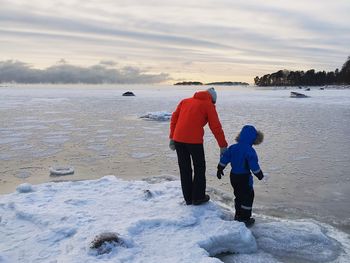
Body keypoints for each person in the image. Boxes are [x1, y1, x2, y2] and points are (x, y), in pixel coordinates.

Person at [169, 88, 228, 205]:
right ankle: (198, 197)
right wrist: (223, 145)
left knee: (184, 169)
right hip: (194, 141)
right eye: (214, 102)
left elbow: (174, 119)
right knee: (199, 167)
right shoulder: (208, 105)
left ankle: (188, 198)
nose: (214, 104)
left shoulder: (185, 101)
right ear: (212, 99)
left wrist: (172, 137)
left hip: (179, 139)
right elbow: (216, 127)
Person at [216, 125, 264, 226]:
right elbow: (253, 165)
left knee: (238, 196)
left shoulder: (233, 147)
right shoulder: (250, 150)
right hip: (244, 177)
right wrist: (259, 174)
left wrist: (220, 168)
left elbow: (225, 158)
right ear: (254, 138)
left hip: (233, 176)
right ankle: (245, 218)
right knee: (248, 196)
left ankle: (238, 215)